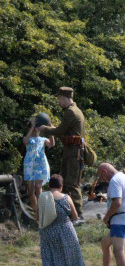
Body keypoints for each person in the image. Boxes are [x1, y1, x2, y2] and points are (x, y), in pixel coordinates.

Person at [38, 87, 87, 217]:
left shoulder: (71, 112)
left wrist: (45, 129)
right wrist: (54, 129)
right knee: (64, 182)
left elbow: (60, 131)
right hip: (70, 152)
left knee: (72, 184)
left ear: (64, 98)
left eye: (59, 99)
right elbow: (64, 131)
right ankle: (65, 212)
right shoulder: (74, 111)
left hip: (73, 153)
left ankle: (79, 215)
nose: (59, 102)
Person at [38, 175, 88, 266]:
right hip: (65, 231)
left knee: (48, 260)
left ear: (49, 186)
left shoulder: (43, 197)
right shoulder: (66, 197)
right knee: (62, 261)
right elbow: (75, 216)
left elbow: (38, 216)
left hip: (47, 232)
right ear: (61, 186)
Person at [22, 113, 54, 215]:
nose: (36, 130)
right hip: (29, 165)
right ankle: (36, 211)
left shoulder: (43, 139)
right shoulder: (27, 138)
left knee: (38, 187)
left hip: (41, 164)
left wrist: (51, 130)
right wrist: (32, 128)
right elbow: (25, 142)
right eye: (34, 128)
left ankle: (41, 212)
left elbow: (52, 144)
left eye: (37, 128)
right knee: (30, 190)